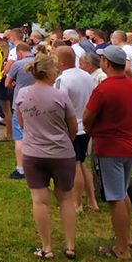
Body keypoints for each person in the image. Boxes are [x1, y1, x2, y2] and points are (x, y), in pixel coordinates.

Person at [15, 51, 78, 259]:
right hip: (61, 152)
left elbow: (22, 122)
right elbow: (72, 126)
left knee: (39, 200)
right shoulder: (60, 95)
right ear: (49, 73)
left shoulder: (23, 94)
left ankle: (46, 247)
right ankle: (70, 246)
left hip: (33, 152)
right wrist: (64, 139)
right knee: (66, 198)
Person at [83, 45, 132, 260]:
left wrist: (90, 130)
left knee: (115, 197)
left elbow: (88, 116)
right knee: (123, 192)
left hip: (109, 147)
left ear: (106, 63)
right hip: (130, 145)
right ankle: (127, 238)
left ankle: (121, 248)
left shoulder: (104, 88)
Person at [53, 45, 98, 213]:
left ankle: (76, 202)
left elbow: (58, 104)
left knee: (75, 165)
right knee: (82, 163)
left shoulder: (63, 80)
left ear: (62, 62)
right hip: (85, 125)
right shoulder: (86, 75)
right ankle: (92, 201)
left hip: (72, 127)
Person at [5, 42, 36, 179]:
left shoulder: (17, 65)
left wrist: (15, 85)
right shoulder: (38, 62)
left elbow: (7, 83)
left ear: (19, 53)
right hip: (37, 101)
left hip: (20, 102)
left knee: (19, 136)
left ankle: (21, 168)